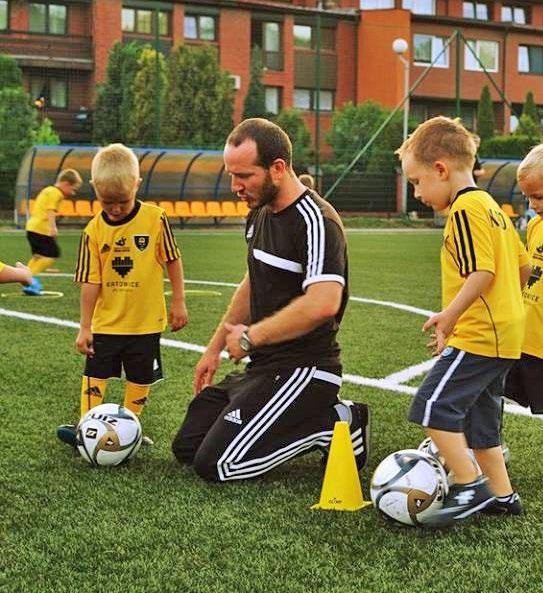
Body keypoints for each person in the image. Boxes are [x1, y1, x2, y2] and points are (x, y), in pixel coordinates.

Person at [171, 118, 370, 482]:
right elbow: (253, 282)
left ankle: (334, 423)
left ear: (278, 168)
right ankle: (270, 408)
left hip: (305, 369)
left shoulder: (316, 221)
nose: (235, 186)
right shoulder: (259, 213)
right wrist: (213, 348)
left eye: (244, 175)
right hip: (263, 368)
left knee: (218, 465)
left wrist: (250, 338)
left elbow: (323, 302)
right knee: (188, 446)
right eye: (231, 175)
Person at [396, 116, 531, 526]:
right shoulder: (492, 206)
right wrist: (498, 310)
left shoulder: (465, 209)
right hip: (504, 334)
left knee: (432, 408)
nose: (417, 193)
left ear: (441, 169)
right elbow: (521, 268)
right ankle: (502, 496)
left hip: (481, 334)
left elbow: (481, 272)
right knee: (481, 422)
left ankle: (469, 485)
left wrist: (451, 315)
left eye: (417, 182)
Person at [56, 144, 188, 447]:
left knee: (140, 377)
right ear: (95, 190)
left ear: (137, 185)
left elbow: (172, 259)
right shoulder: (93, 230)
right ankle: (85, 429)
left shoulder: (155, 219)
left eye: (123, 201)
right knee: (95, 374)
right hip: (106, 323)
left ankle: (129, 428)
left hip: (145, 323)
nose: (115, 208)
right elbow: (91, 282)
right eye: (107, 202)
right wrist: (85, 326)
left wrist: (178, 301)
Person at [504, 145, 543, 416]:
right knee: (493, 391)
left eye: (538, 197)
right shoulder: (535, 226)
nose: (531, 205)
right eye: (527, 197)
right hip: (526, 340)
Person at [24, 168, 82, 296]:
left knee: (38, 256)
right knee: (53, 253)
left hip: (32, 227)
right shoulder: (57, 193)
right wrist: (53, 227)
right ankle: (29, 279)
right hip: (41, 229)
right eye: (73, 189)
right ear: (66, 183)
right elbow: (50, 210)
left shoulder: (48, 190)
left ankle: (26, 277)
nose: (72, 193)